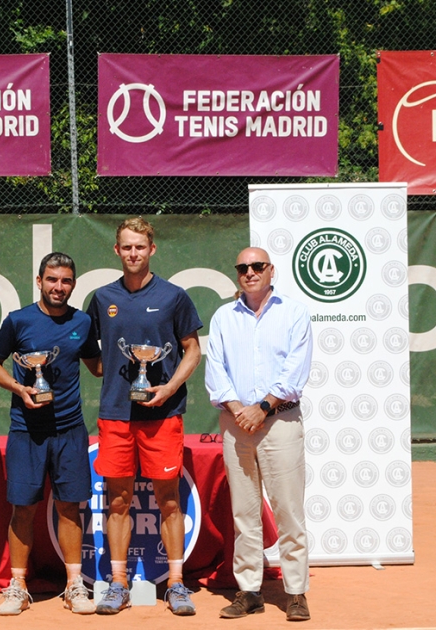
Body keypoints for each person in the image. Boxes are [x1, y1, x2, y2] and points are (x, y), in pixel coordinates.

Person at [85, 218, 203, 616]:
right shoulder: (102, 297)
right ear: (116, 251)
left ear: (152, 250)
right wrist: (112, 371)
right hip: (116, 414)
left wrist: (168, 388)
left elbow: (192, 350)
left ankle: (175, 584)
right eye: (126, 247)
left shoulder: (174, 296)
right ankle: (118, 584)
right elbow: (91, 353)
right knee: (117, 500)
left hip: (163, 415)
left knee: (168, 501)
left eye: (140, 247)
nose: (133, 253)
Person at [0, 252, 102, 616]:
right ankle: (18, 587)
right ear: (39, 281)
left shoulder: (82, 322)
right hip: (26, 431)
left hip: (70, 430)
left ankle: (74, 586)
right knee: (23, 508)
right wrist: (19, 390)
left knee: (70, 507)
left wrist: (131, 354)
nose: (59, 286)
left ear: (73, 284)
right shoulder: (18, 321)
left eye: (66, 280)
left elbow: (96, 367)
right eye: (52, 279)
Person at [204, 247, 313, 622]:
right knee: (244, 514)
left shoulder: (294, 313)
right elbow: (215, 371)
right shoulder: (223, 317)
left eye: (257, 266)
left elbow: (296, 369)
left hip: (280, 422)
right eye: (243, 268)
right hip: (237, 425)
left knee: (288, 513)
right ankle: (249, 591)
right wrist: (239, 411)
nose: (249, 272)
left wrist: (262, 408)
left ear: (271, 271)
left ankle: (296, 592)